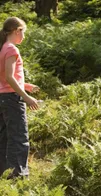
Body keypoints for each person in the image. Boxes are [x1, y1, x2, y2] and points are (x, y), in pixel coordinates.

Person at [0, 17, 40, 179]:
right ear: (17, 31)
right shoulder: (11, 49)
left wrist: (27, 86)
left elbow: (4, 78)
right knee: (19, 137)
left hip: (2, 97)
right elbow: (9, 77)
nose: (24, 36)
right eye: (23, 32)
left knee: (4, 137)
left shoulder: (2, 47)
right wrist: (27, 97)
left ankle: (3, 173)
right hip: (12, 99)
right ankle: (19, 176)